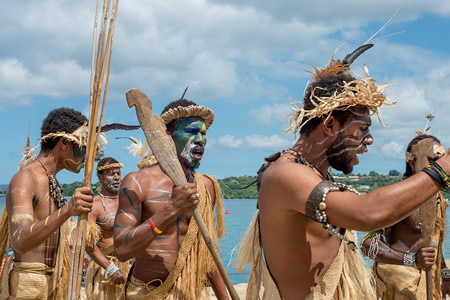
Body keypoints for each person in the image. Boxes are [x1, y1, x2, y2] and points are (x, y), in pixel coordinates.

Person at [235, 44, 450, 300]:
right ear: (329, 124)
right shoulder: (287, 174)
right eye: (362, 129)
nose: (369, 140)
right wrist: (442, 170)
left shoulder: (315, 174)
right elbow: (368, 214)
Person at [114, 99, 228, 299]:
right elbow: (122, 250)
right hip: (146, 292)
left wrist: (224, 297)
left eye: (203, 133)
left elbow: (206, 249)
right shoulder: (137, 182)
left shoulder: (206, 186)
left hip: (190, 293)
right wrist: (172, 208)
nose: (200, 139)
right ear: (167, 136)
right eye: (191, 132)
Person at [0, 108, 95, 299]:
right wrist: (68, 210)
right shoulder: (26, 178)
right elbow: (19, 241)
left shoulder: (51, 180)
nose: (85, 157)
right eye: (83, 147)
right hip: (27, 286)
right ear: (64, 143)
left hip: (53, 283)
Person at [362, 133, 450, 299]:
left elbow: (433, 243)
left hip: (428, 285)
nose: (441, 166)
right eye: (433, 161)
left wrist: (445, 274)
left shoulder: (438, 198)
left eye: (441, 160)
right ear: (412, 163)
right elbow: (367, 244)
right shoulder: (398, 198)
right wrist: (412, 260)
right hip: (399, 287)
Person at [84, 157, 131, 299]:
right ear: (100, 177)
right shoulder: (94, 205)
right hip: (105, 269)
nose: (116, 177)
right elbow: (88, 243)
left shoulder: (129, 200)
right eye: (111, 174)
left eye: (118, 173)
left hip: (131, 266)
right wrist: (109, 268)